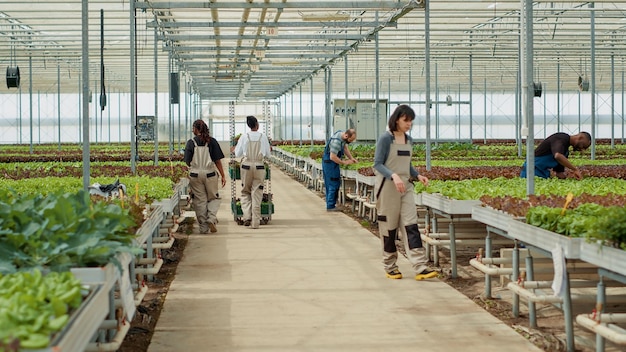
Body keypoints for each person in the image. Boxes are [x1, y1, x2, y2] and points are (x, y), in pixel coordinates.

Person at [373, 104, 437, 281]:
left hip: (406, 187)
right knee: (389, 227)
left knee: (411, 225)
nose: (409, 124)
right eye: (405, 120)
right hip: (387, 188)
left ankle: (420, 265)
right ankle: (390, 265)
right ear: (397, 119)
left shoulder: (409, 140)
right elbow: (377, 164)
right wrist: (393, 176)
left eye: (411, 121)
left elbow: (406, 164)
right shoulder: (385, 139)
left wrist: (417, 175)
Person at [184, 119, 227, 234]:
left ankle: (203, 227)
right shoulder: (212, 141)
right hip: (210, 174)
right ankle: (211, 218)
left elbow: (187, 161)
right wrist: (223, 175)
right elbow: (217, 160)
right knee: (213, 197)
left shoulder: (190, 142)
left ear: (195, 129)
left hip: (195, 175)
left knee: (199, 200)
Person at [233, 115, 272, 229]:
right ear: (257, 124)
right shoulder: (263, 137)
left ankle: (247, 217)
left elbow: (237, 154)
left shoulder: (244, 137)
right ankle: (255, 222)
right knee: (257, 193)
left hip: (246, 166)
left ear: (248, 125)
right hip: (259, 166)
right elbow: (268, 155)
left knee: (245, 192)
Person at [520, 132, 592, 180]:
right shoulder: (562, 138)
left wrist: (568, 180)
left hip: (543, 174)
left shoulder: (565, 151)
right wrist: (574, 169)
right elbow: (558, 155)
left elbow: (559, 173)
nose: (582, 149)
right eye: (583, 146)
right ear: (580, 138)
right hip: (530, 171)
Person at [322, 128, 357, 211]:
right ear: (346, 136)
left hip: (332, 163)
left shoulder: (342, 135)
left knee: (334, 183)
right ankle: (330, 206)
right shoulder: (336, 142)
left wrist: (351, 158)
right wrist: (344, 162)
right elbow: (332, 156)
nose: (350, 142)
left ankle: (331, 204)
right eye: (350, 140)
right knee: (333, 183)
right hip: (330, 163)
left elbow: (345, 148)